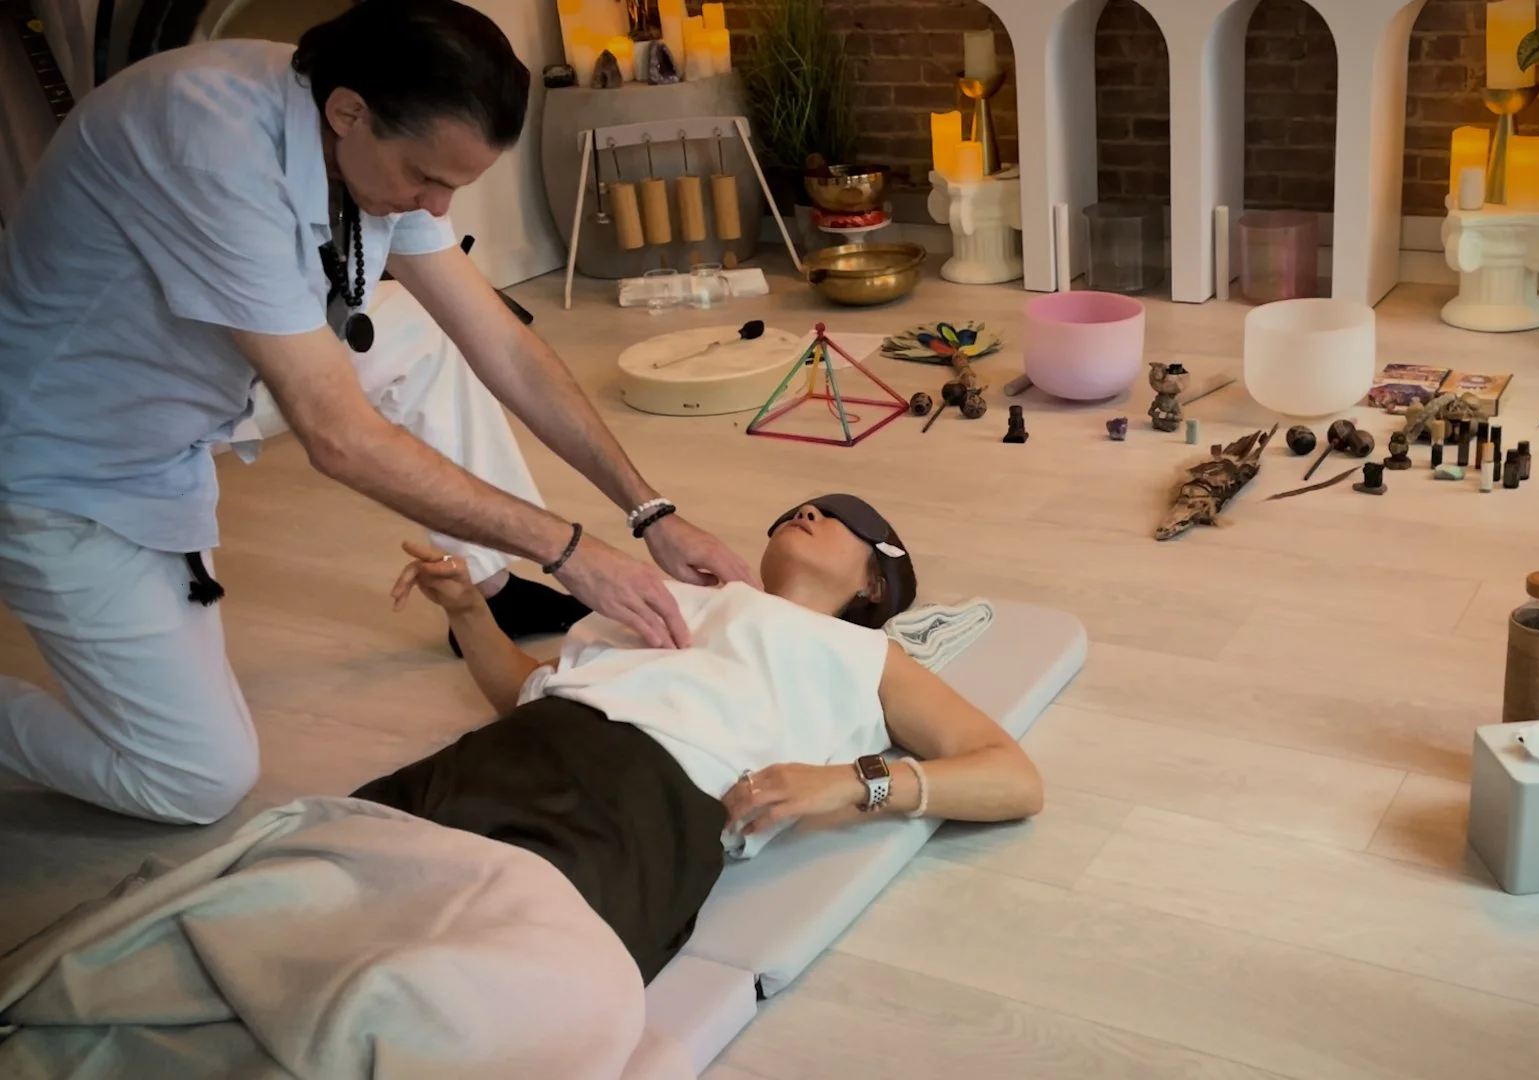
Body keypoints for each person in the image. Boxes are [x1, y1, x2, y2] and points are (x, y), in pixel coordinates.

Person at [0, 0, 757, 827]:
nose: (436, 208)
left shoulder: (369, 129)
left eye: (454, 186)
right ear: (348, 113)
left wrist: (649, 513)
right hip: (68, 460)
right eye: (427, 179)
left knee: (424, 336)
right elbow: (339, 437)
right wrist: (570, 550)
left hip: (209, 376)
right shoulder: (210, 142)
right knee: (195, 780)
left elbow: (499, 343)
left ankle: (488, 590)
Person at [353, 495, 1044, 982]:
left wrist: (849, 783)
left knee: (483, 971)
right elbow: (527, 689)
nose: (810, 512)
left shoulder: (861, 656)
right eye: (800, 507)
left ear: (875, 584)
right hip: (516, 748)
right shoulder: (662, 593)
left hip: (644, 810)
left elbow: (1013, 777)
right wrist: (470, 610)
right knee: (335, 863)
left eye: (845, 518)